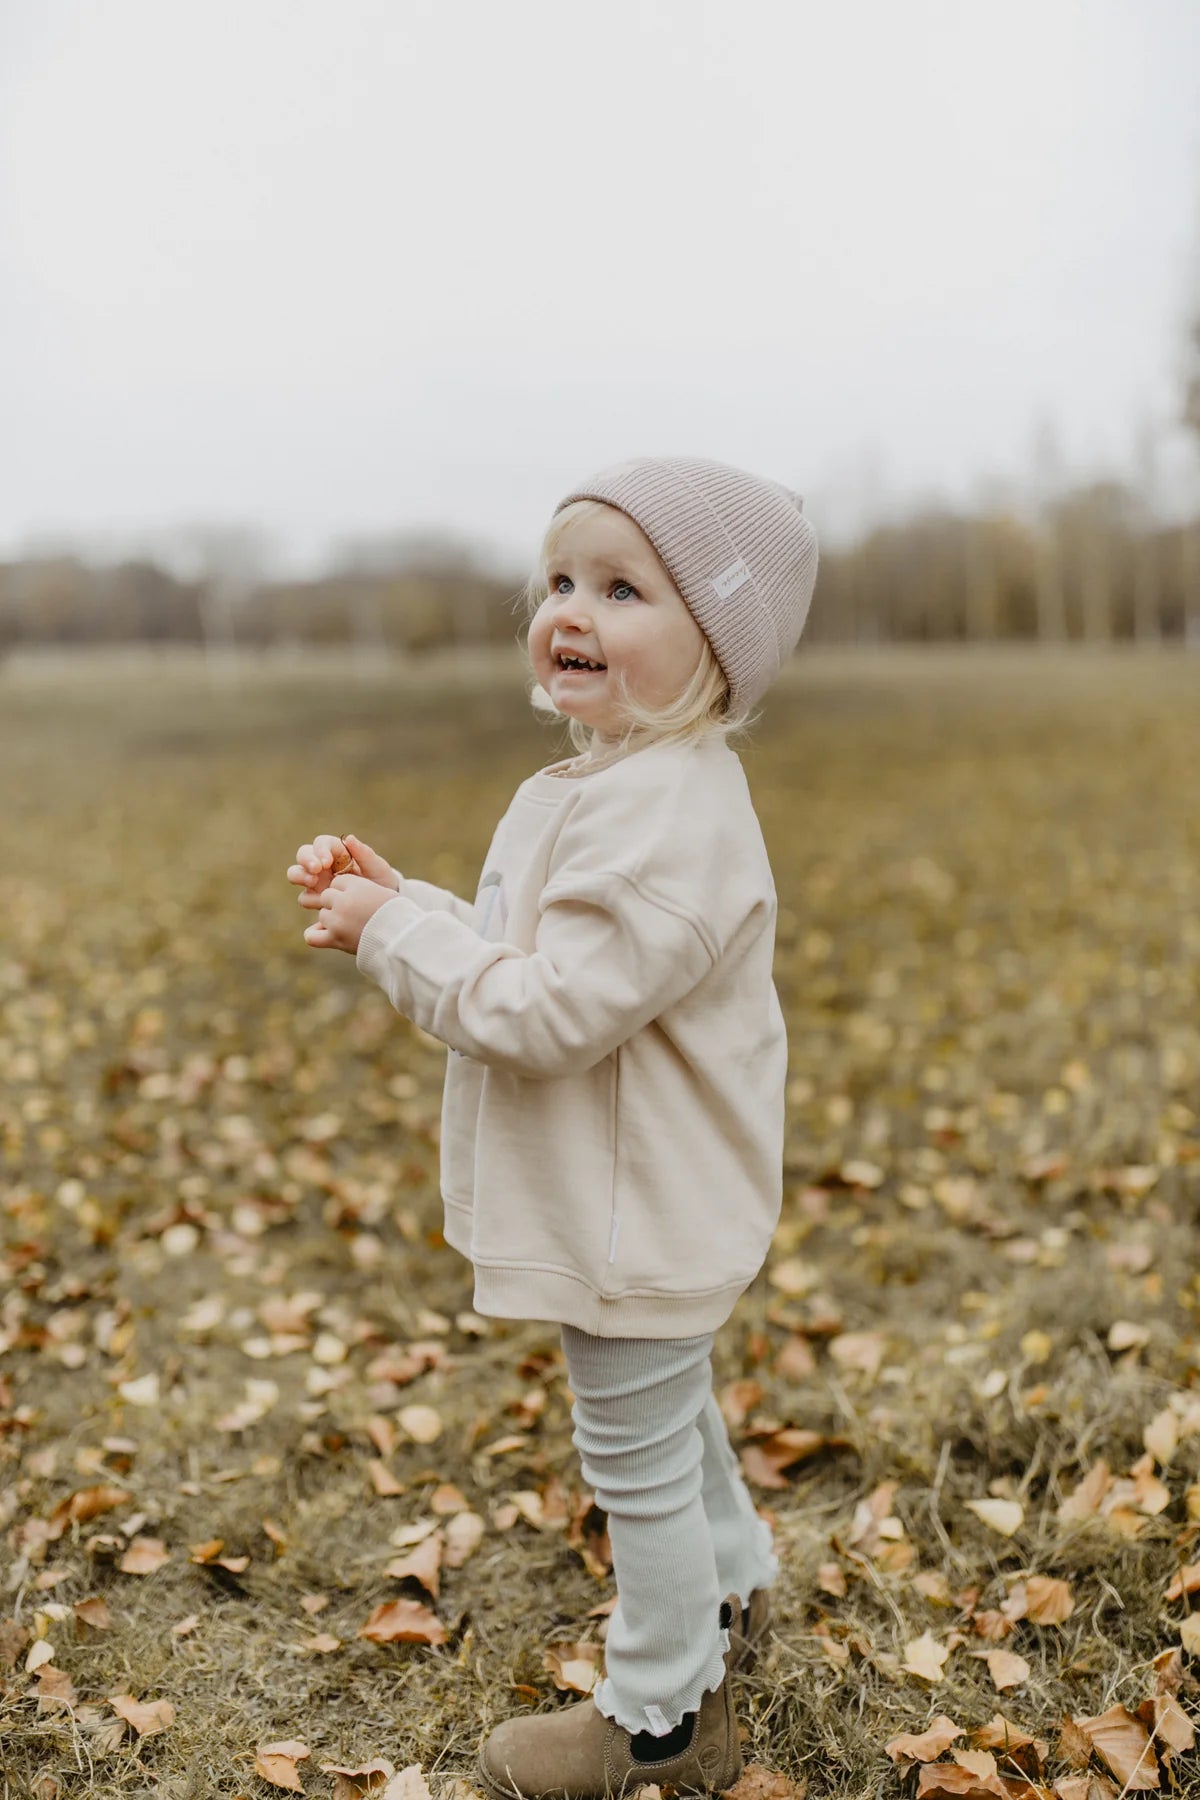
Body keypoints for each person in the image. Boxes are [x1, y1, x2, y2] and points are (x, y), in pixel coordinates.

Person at [285, 455, 819, 1800]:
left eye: (624, 587)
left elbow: (546, 1017)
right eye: (561, 579)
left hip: (632, 1209)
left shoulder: (657, 817)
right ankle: (736, 1591)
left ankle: (661, 1720)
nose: (571, 607)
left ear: (715, 648)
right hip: (641, 1191)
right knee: (674, 1421)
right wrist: (421, 906)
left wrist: (392, 938)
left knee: (634, 1460)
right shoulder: (622, 788)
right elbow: (538, 960)